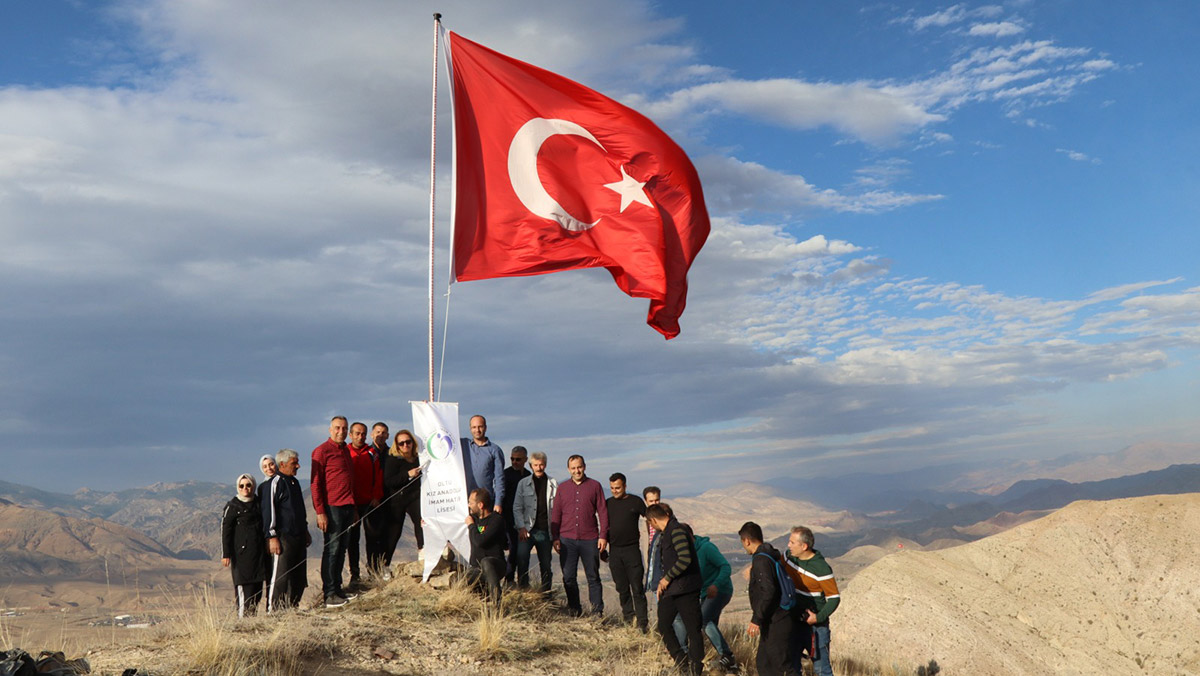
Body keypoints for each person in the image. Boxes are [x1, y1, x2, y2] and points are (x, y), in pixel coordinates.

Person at [647, 502, 703, 676]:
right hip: (672, 590)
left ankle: (695, 668)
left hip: (686, 589)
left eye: (650, 523)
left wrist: (666, 578)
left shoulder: (677, 531)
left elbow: (684, 559)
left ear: (653, 520)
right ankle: (682, 661)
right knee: (663, 625)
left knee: (693, 629)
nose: (651, 526)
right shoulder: (667, 533)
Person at [551, 455, 608, 616]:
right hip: (566, 539)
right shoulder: (562, 488)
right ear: (569, 469)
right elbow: (556, 514)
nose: (577, 471)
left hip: (590, 539)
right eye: (573, 468)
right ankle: (575, 609)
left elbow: (603, 512)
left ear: (584, 466)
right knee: (568, 576)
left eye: (579, 467)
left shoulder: (595, 486)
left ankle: (597, 612)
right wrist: (555, 537)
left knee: (593, 576)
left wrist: (603, 535)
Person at [673, 532, 738, 673]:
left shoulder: (706, 548)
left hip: (721, 590)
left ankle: (727, 655)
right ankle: (727, 664)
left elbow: (725, 566)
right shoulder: (686, 554)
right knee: (704, 623)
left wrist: (716, 584)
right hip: (704, 593)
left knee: (703, 620)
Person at [740, 521, 797, 676]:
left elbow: (768, 591)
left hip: (776, 619)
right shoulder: (770, 554)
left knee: (781, 666)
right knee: (764, 663)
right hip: (774, 619)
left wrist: (756, 619)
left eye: (743, 543)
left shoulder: (761, 559)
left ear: (747, 541)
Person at [311, 415, 357, 608]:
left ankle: (338, 589)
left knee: (342, 548)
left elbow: (349, 481)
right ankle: (329, 594)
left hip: (347, 506)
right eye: (337, 428)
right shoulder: (322, 451)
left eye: (344, 428)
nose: (341, 432)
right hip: (332, 507)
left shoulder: (345, 450)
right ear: (330, 430)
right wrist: (320, 511)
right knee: (332, 549)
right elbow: (315, 483)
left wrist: (353, 507)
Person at [784, 526, 840, 676]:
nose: (788, 545)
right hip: (795, 622)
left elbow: (834, 598)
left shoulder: (822, 569)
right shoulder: (789, 557)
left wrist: (818, 617)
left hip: (816, 628)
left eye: (792, 542)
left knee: (822, 670)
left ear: (804, 546)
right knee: (792, 666)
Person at [263, 449, 310, 612]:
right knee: (280, 577)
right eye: (293, 463)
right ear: (282, 464)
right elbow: (269, 512)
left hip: (298, 537)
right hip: (283, 538)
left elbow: (300, 510)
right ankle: (273, 611)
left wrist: (305, 530)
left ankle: (292, 609)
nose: (298, 466)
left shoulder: (294, 483)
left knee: (299, 577)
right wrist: (272, 536)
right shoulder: (275, 483)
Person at [605, 472, 648, 631]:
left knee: (637, 588)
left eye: (618, 488)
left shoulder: (635, 501)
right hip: (615, 551)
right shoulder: (607, 503)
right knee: (622, 588)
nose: (615, 491)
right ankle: (629, 620)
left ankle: (643, 624)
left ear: (625, 486)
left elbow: (650, 518)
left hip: (632, 551)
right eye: (612, 488)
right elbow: (603, 525)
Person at [222, 473, 267, 617]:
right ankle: (242, 625)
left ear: (253, 486)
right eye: (241, 486)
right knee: (244, 593)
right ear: (237, 487)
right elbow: (225, 530)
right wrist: (226, 554)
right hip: (241, 557)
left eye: (248, 485)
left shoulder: (259, 503)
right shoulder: (233, 506)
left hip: (259, 556)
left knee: (256, 592)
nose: (245, 488)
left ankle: (252, 622)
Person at [512, 451, 557, 592]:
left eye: (541, 464)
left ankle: (546, 594)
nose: (539, 468)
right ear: (531, 466)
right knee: (522, 560)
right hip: (527, 530)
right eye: (536, 465)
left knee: (545, 564)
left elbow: (557, 508)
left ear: (545, 465)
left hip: (545, 530)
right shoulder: (523, 484)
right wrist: (521, 527)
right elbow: (517, 507)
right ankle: (524, 591)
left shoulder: (553, 484)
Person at [346, 421, 384, 589]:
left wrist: (376, 496)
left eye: (363, 434)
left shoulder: (371, 452)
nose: (360, 436)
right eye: (357, 433)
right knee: (352, 540)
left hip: (370, 503)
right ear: (351, 435)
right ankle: (354, 575)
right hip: (351, 504)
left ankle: (373, 572)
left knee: (373, 538)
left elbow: (379, 475)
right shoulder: (345, 452)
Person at [382, 429, 424, 570]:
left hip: (414, 497)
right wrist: (408, 474)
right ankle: (385, 565)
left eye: (408, 442)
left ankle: (423, 555)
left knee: (421, 523)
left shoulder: (419, 458)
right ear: (397, 445)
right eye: (401, 443)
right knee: (394, 532)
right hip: (397, 501)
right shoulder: (393, 459)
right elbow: (389, 481)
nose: (405, 445)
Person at [465, 487, 506, 606]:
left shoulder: (496, 520)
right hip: (476, 569)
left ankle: (497, 603)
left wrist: (471, 526)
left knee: (486, 562)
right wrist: (429, 522)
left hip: (495, 566)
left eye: (471, 503)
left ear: (480, 505)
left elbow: (480, 541)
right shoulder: (474, 519)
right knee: (459, 579)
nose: (469, 505)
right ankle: (482, 599)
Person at [461, 414, 505, 514]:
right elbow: (444, 434)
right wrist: (430, 407)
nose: (477, 430)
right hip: (465, 503)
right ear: (470, 428)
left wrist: (498, 503)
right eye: (474, 427)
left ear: (485, 427)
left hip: (486, 503)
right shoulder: (463, 445)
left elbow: (499, 479)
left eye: (480, 427)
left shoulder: (495, 450)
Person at [501, 445, 530, 584]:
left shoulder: (529, 476)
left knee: (523, 551)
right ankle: (509, 579)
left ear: (525, 459)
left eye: (518, 459)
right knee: (513, 548)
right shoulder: (505, 474)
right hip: (508, 518)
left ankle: (523, 581)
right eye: (512, 459)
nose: (514, 462)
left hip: (525, 520)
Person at [643, 487, 664, 595]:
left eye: (657, 500)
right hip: (650, 560)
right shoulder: (644, 520)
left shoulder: (666, 518)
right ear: (646, 501)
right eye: (651, 501)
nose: (654, 503)